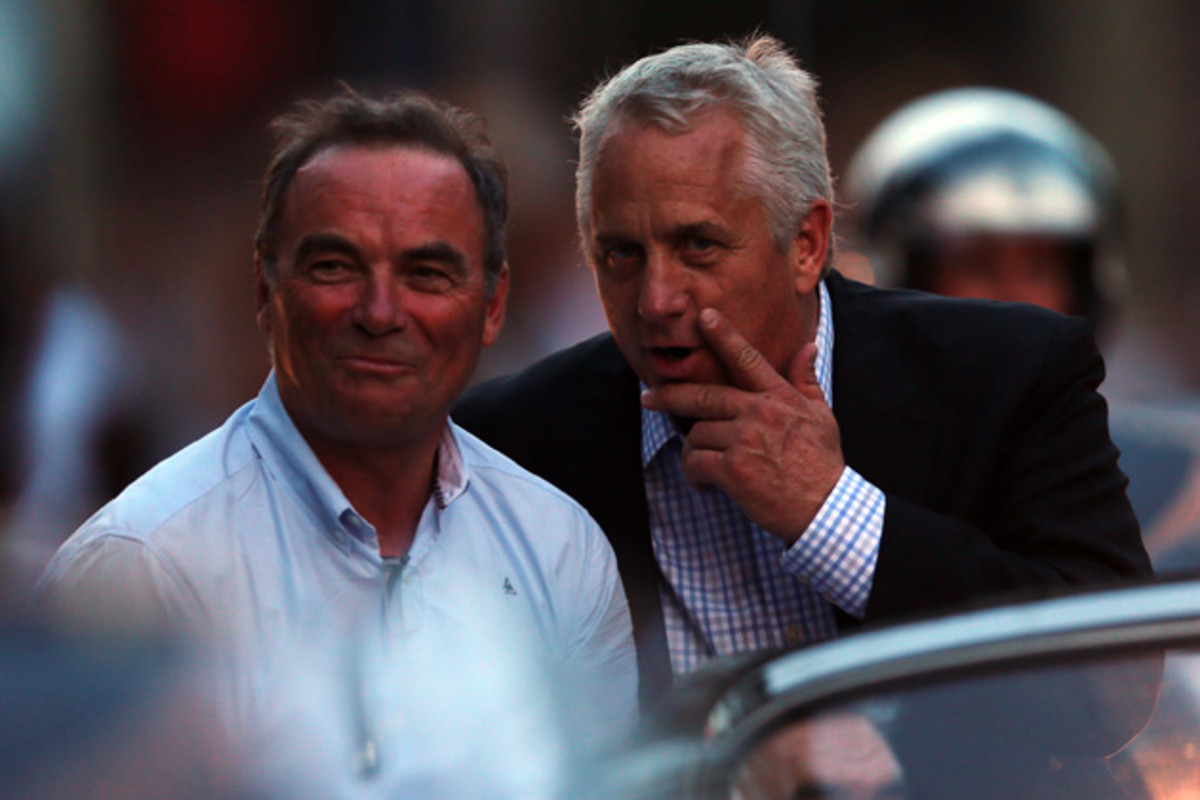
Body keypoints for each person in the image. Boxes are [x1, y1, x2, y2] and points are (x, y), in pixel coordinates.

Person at [453, 36, 1150, 712]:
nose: (656, 299)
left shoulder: (1008, 373)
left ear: (808, 245)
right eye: (621, 255)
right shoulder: (512, 443)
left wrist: (832, 514)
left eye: (698, 246)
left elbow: (1114, 690)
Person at [35, 88, 637, 793]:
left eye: (426, 273)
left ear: (494, 304)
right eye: (336, 267)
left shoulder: (558, 547)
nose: (380, 312)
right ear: (265, 290)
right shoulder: (142, 568)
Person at [842, 87, 1200, 571]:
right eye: (977, 264)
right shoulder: (826, 464)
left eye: (1040, 268)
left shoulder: (1182, 478)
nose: (1013, 294)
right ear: (902, 273)